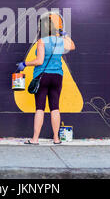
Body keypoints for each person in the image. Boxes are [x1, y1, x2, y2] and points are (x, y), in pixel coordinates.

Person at [16, 12, 75, 145]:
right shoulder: (61, 41)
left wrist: (25, 64)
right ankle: (56, 138)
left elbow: (39, 61)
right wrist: (65, 35)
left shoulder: (41, 41)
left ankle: (35, 139)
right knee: (55, 108)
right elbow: (72, 46)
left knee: (40, 108)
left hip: (42, 76)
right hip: (57, 76)